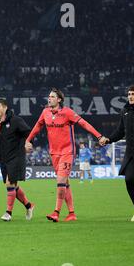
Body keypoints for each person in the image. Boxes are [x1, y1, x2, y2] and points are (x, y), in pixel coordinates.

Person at [25, 88, 107, 222]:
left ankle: (56, 212)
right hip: (53, 153)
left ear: (59, 100)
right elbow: (37, 127)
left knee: (61, 181)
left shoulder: (67, 112)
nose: (49, 98)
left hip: (67, 152)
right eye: (49, 96)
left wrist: (98, 136)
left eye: (52, 97)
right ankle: (72, 213)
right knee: (65, 183)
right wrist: (28, 140)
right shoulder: (45, 112)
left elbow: (83, 123)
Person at [101, 85, 134, 222]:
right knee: (129, 180)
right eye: (129, 94)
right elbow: (120, 131)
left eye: (133, 94)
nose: (130, 96)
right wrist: (108, 139)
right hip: (131, 153)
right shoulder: (125, 111)